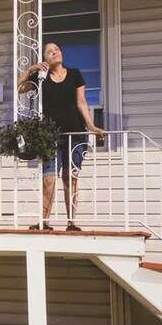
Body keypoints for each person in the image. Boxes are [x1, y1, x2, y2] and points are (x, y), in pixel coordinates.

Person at [19, 42, 108, 230]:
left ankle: (71, 222)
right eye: (50, 52)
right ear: (45, 58)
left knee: (71, 177)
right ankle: (44, 222)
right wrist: (31, 69)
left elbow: (81, 103)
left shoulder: (75, 74)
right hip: (50, 137)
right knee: (49, 179)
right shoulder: (41, 77)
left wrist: (91, 126)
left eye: (57, 50)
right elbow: (20, 88)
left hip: (75, 134)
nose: (54, 53)